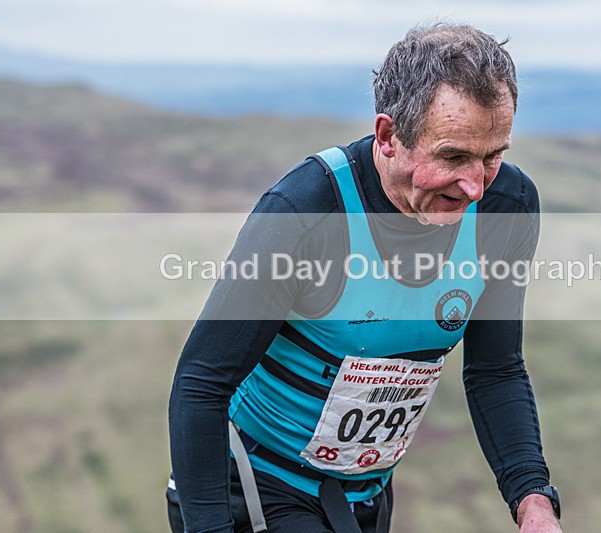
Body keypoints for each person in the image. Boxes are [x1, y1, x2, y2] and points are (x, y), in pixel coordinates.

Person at [168, 22, 562, 533]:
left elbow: (496, 369)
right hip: (255, 487)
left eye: (493, 156)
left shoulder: (506, 209)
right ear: (388, 136)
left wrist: (533, 500)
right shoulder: (305, 214)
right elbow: (201, 383)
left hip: (367, 497)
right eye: (453, 157)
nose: (475, 186)